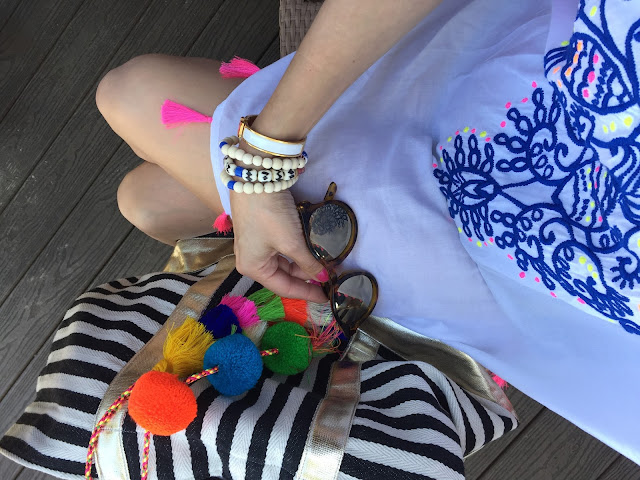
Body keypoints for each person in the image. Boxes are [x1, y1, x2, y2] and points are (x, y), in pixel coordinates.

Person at [96, 0, 640, 467]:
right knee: (138, 149)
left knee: (142, 188)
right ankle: (248, 163)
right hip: (460, 106)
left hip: (466, 286)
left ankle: (241, 168)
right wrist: (266, 153)